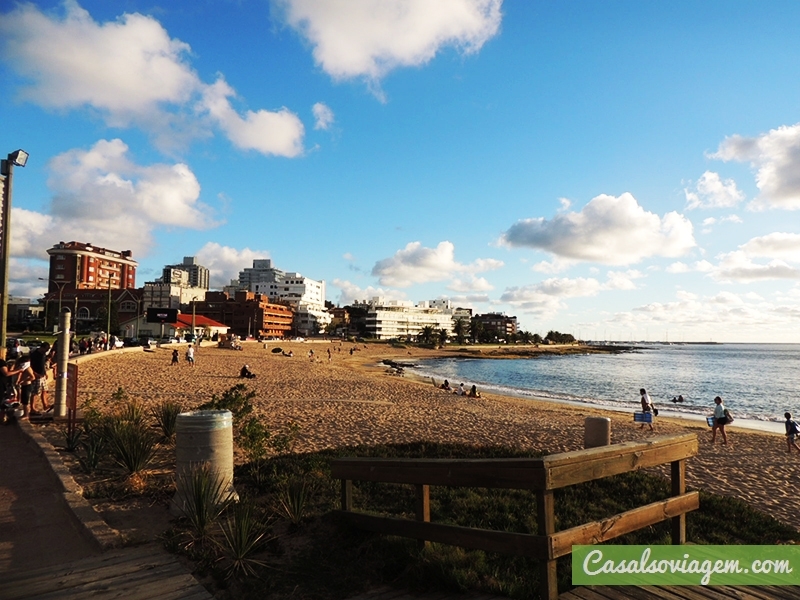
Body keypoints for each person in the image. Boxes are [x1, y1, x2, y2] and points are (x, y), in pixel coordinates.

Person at [29, 342, 51, 414]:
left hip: (42, 375)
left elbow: (42, 364)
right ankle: (32, 408)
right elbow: (30, 365)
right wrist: (35, 374)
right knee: (35, 392)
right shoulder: (34, 354)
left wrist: (45, 373)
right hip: (36, 375)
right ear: (42, 347)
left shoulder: (43, 354)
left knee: (44, 390)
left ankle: (45, 405)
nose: (46, 351)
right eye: (46, 349)